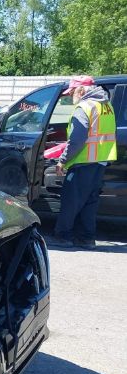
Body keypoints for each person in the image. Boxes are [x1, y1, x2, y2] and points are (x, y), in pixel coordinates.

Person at [51, 75, 117, 249]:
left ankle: (63, 236)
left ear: (81, 90)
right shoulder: (106, 105)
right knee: (90, 202)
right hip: (100, 162)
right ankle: (87, 239)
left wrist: (62, 160)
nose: (71, 95)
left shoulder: (84, 107)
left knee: (71, 201)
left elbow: (77, 139)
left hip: (83, 162)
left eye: (72, 91)